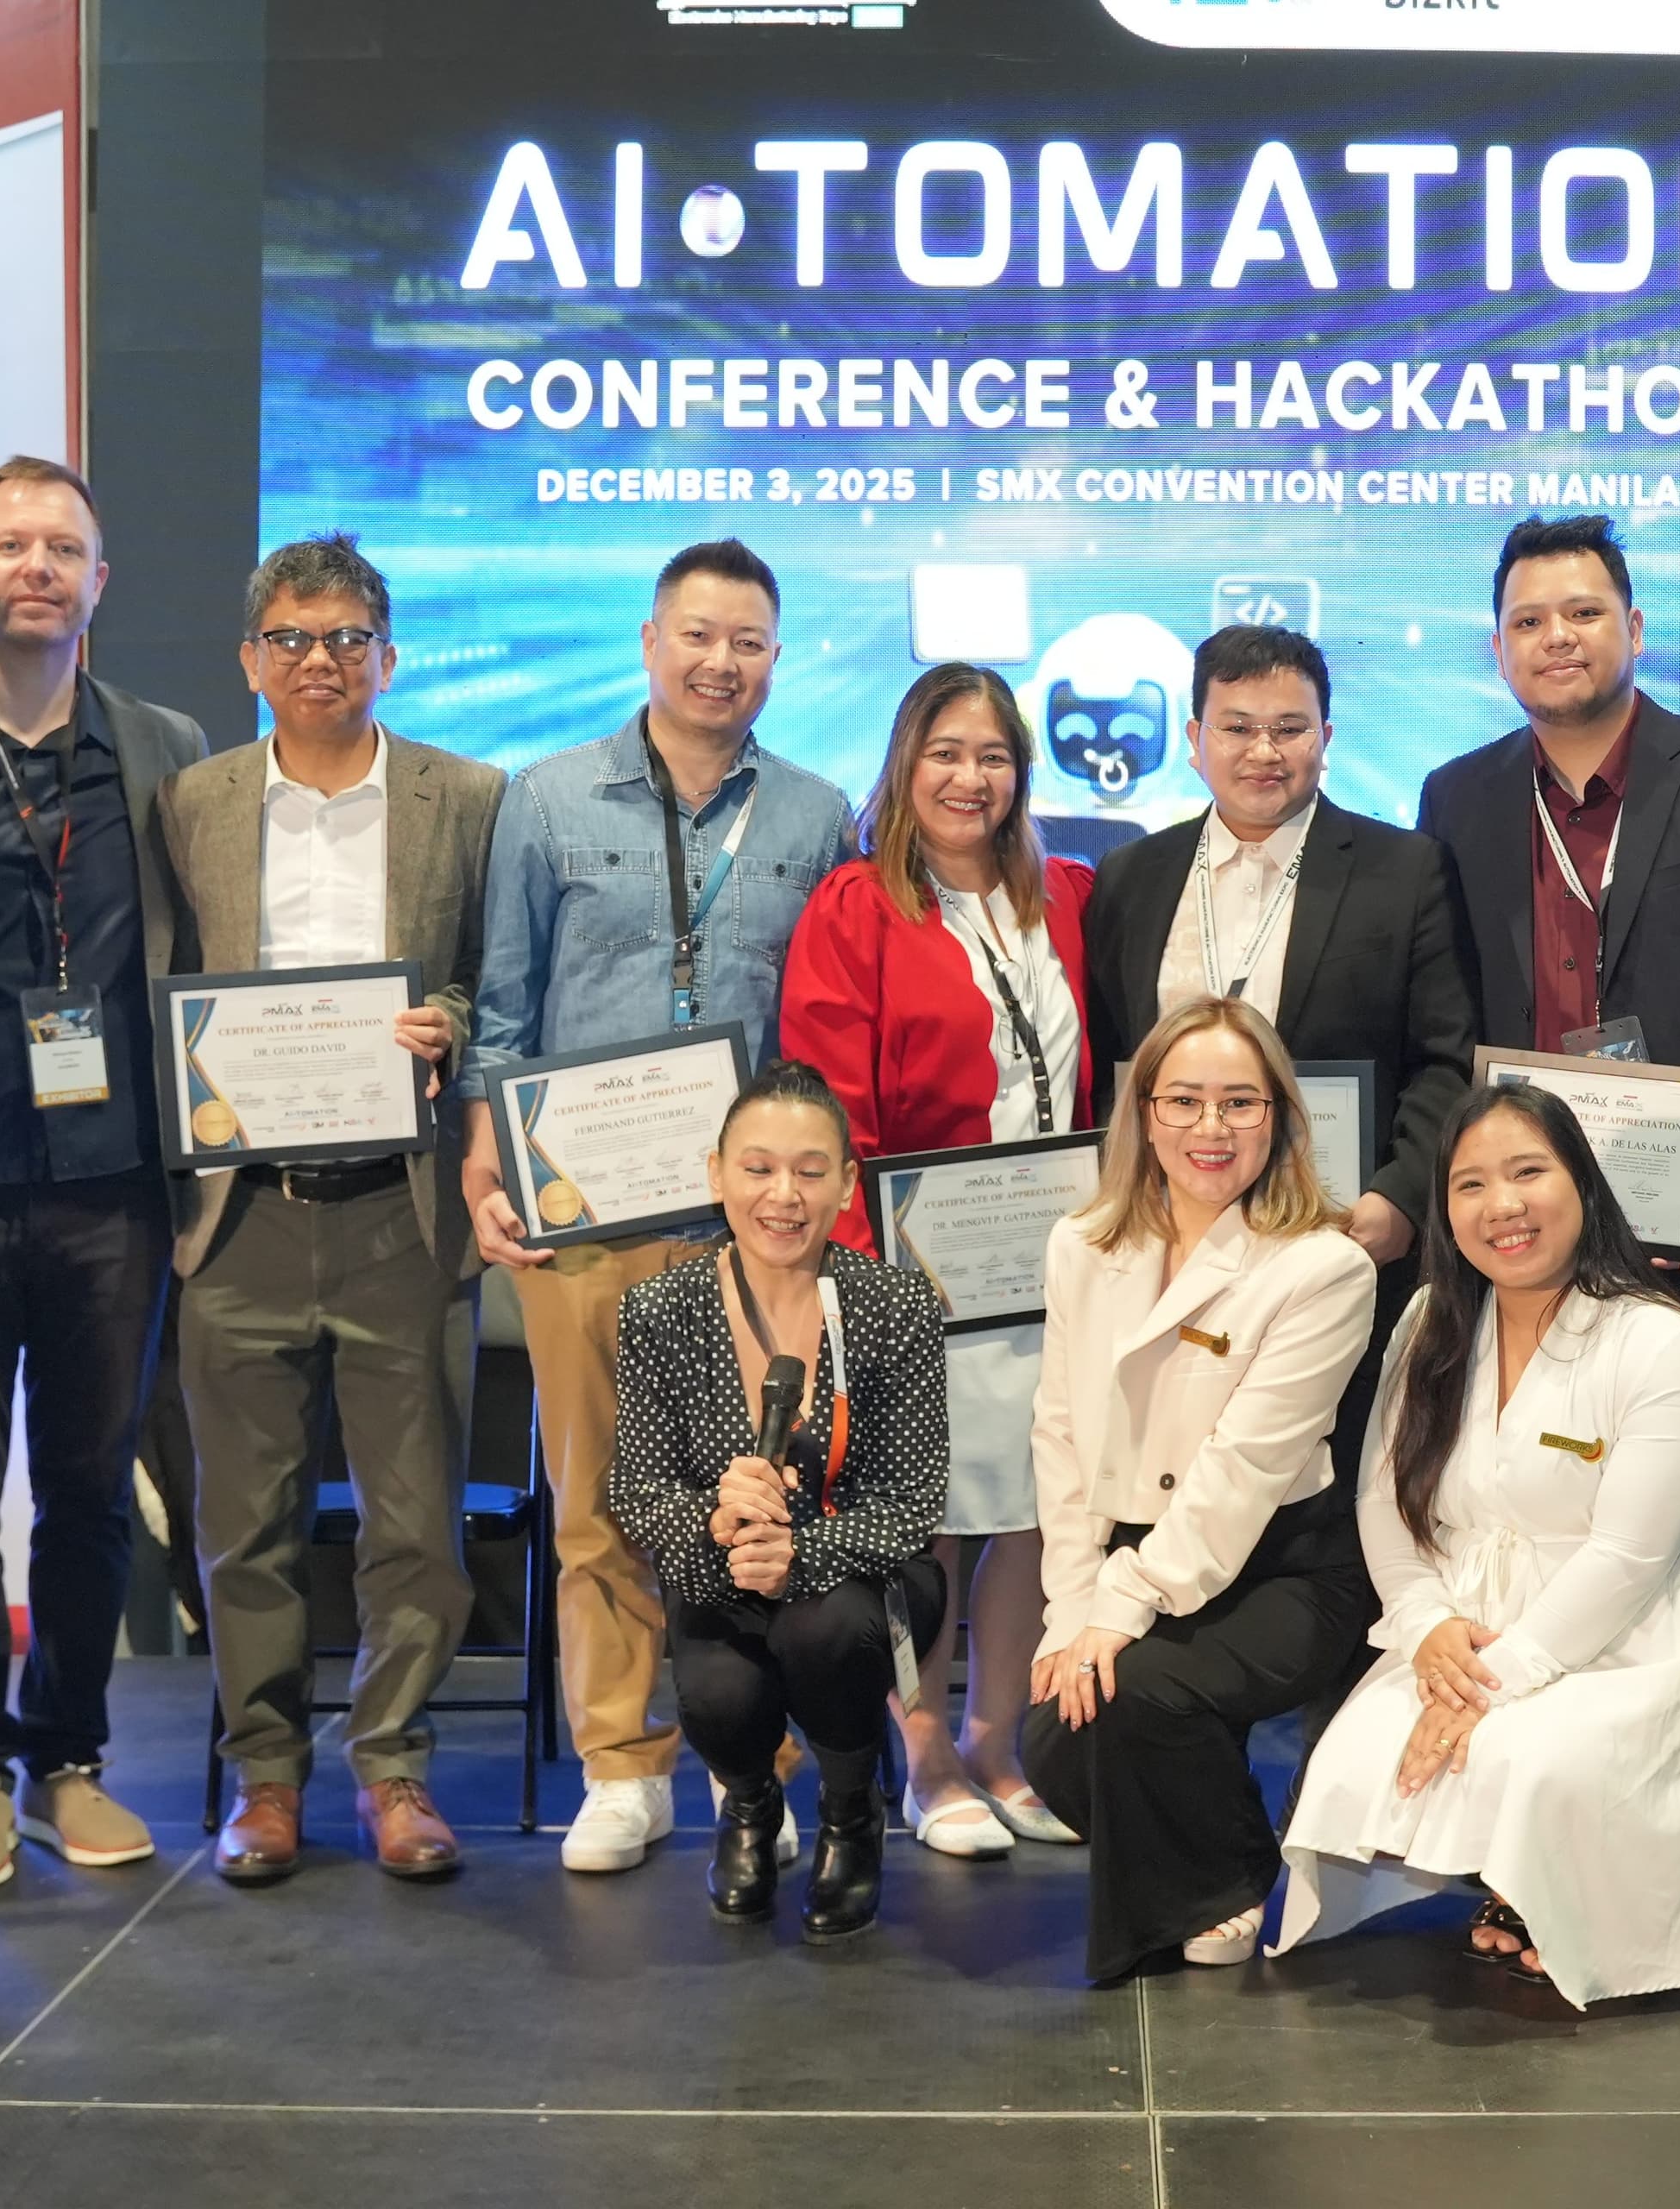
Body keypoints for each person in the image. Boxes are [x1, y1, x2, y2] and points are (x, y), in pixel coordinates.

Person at [462, 540, 859, 1877]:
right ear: (648, 641)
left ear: (775, 658)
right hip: (580, 1216)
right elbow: (503, 1008)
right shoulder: (549, 798)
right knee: (599, 1510)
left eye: (746, 641)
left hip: (758, 1234)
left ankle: (762, 1770)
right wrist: (481, 1157)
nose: (718, 662)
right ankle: (620, 1766)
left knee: (765, 1509)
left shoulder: (815, 814)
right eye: (697, 636)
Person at [1274, 1082, 1680, 2004]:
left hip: (1634, 1634)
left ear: (1584, 1184)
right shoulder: (1430, 1321)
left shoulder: (1661, 1340)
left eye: (1529, 1172)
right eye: (1471, 1184)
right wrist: (1424, 1626)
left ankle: (1602, 1910)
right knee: (1359, 1754)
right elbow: (1383, 1498)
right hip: (1473, 1632)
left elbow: (1629, 1562)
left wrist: (1499, 1679)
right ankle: (1515, 1880)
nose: (1503, 1206)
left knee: (1531, 1759)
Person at [0, 456, 206, 1891]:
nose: (36, 566)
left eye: (62, 546)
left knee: (85, 1486)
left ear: (97, 581)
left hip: (111, 1182)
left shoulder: (167, 746)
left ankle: (68, 1756)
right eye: (10, 543)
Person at [159, 533, 507, 1885]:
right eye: (293, 638)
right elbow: (169, 986)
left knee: (415, 1522)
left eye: (347, 636)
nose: (320, 660)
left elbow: (495, 975)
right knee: (245, 1521)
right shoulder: (192, 801)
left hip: (398, 1213)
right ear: (251, 661)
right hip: (241, 1213)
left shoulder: (464, 799)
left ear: (387, 655)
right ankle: (264, 1779)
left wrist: (454, 1024)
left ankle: (396, 1771)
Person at [1415, 516, 1680, 1529]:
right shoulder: (1457, 797)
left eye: (1585, 612)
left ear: (1633, 625)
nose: (1560, 636)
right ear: (1496, 648)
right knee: (1536, 1492)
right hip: (1525, 1219)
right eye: (1530, 619)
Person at [779, 664, 1090, 1859]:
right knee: (931, 1523)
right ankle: (924, 1755)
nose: (971, 777)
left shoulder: (1067, 894)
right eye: (947, 752)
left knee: (1033, 1516)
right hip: (919, 1282)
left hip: (1055, 1276)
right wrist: (867, 1289)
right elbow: (829, 1115)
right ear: (906, 765)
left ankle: (1001, 1744)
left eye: (994, 755)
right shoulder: (856, 906)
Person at [1083, 626, 1478, 1523]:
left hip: (1338, 1247)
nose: (1264, 751)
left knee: (1324, 1500)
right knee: (1170, 1487)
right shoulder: (1129, 878)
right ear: (1192, 738)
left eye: (1291, 728)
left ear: (1328, 738)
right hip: (1171, 1259)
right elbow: (1116, 1076)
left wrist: (1400, 1200)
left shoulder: (1403, 869)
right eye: (1237, 727)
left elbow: (1446, 1058)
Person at [1021, 998, 1377, 1982]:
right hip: (1134, 1544)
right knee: (1053, 1731)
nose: (1210, 1130)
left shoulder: (1326, 1266)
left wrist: (1122, 1608)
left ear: (1280, 1118)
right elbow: (1061, 1433)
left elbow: (1244, 1472)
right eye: (1183, 1101)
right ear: (1143, 1113)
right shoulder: (1082, 1245)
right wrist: (1069, 1609)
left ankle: (1218, 1879)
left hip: (1282, 1566)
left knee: (1133, 1693)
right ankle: (1222, 1860)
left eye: (1238, 1103)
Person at [607, 1062, 950, 1939]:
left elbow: (914, 1503)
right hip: (723, 1570)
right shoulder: (659, 1310)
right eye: (758, 1168)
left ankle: (850, 1814)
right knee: (717, 1694)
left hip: (863, 1579)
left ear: (847, 1183)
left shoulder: (894, 1303)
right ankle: (751, 1807)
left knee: (825, 1628)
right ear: (716, 1173)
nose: (783, 1195)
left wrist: (803, 1551)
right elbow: (639, 1489)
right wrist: (715, 1526)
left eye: (810, 1170)